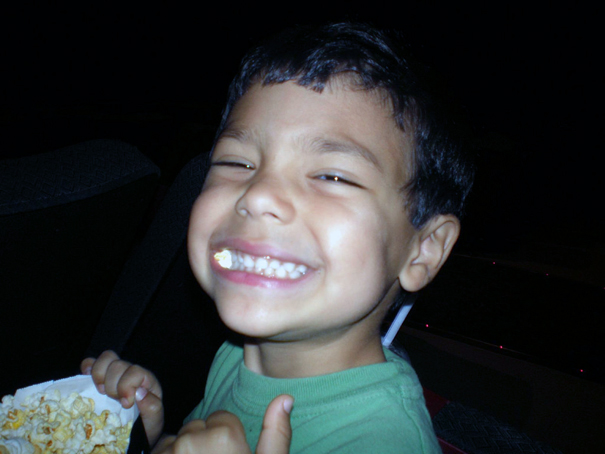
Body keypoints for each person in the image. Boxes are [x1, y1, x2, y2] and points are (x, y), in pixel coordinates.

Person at [81, 22, 474, 453]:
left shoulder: (384, 443)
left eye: (332, 176)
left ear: (423, 250)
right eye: (237, 163)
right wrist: (144, 436)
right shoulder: (240, 352)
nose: (258, 195)